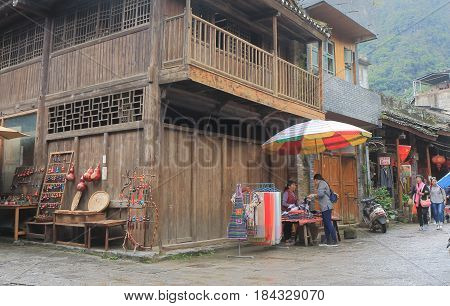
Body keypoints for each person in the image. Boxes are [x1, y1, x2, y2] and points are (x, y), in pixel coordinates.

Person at [308, 174, 338, 246]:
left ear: (316, 180)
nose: (314, 183)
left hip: (326, 207)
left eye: (314, 181)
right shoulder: (322, 184)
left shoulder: (322, 183)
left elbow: (320, 194)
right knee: (326, 224)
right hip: (324, 207)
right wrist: (312, 197)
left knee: (328, 223)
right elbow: (320, 196)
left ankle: (334, 240)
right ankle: (328, 240)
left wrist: (313, 195)